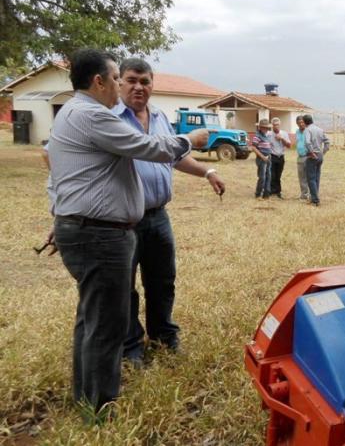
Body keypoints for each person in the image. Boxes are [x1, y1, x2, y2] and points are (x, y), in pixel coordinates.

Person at [48, 49, 209, 417]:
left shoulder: (73, 112)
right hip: (100, 235)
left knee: (93, 318)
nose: (124, 84)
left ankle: (87, 397)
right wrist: (190, 140)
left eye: (137, 80)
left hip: (94, 229)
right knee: (106, 324)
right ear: (99, 81)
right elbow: (148, 147)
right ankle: (99, 409)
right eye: (119, 77)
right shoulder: (92, 115)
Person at [115, 58, 226, 365]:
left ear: (153, 84)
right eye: (132, 80)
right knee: (125, 287)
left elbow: (173, 156)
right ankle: (130, 346)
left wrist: (207, 172)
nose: (139, 86)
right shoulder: (109, 118)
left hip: (158, 217)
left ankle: (164, 336)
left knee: (163, 281)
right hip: (123, 220)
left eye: (145, 81)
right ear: (119, 82)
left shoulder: (160, 117)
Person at [302, 114, 330, 206]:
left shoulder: (307, 130)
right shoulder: (320, 129)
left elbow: (307, 142)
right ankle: (314, 197)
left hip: (312, 156)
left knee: (311, 179)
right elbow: (327, 141)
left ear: (305, 122)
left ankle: (315, 200)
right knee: (316, 178)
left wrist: (312, 152)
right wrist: (324, 152)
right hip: (320, 156)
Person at [268, 117, 291, 199]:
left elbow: (289, 146)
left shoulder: (284, 133)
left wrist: (282, 139)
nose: (276, 126)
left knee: (278, 175)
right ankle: (271, 191)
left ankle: (278, 191)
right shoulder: (269, 134)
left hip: (281, 157)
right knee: (272, 175)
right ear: (272, 126)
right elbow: (267, 145)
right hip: (272, 156)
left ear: (280, 125)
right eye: (274, 125)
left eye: (277, 125)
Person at [251, 119, 272, 199]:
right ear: (260, 127)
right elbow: (253, 147)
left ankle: (266, 194)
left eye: (266, 127)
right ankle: (258, 194)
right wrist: (262, 157)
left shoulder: (267, 135)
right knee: (262, 177)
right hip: (261, 158)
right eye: (263, 127)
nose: (265, 129)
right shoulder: (257, 136)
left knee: (268, 176)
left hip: (268, 157)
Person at [295, 116, 309, 201]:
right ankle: (303, 195)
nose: (301, 124)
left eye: (302, 122)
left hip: (308, 156)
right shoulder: (297, 131)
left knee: (309, 176)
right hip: (300, 156)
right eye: (299, 123)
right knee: (301, 177)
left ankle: (310, 194)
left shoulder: (308, 131)